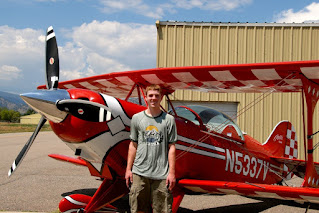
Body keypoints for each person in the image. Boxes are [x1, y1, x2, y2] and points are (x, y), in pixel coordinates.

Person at [125, 84, 177, 213]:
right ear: (146, 98)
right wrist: (128, 169)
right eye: (150, 96)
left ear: (161, 98)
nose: (153, 98)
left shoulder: (169, 119)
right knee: (137, 208)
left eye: (156, 96)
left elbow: (172, 147)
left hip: (161, 174)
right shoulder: (137, 118)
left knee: (162, 210)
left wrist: (172, 173)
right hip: (139, 172)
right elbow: (133, 144)